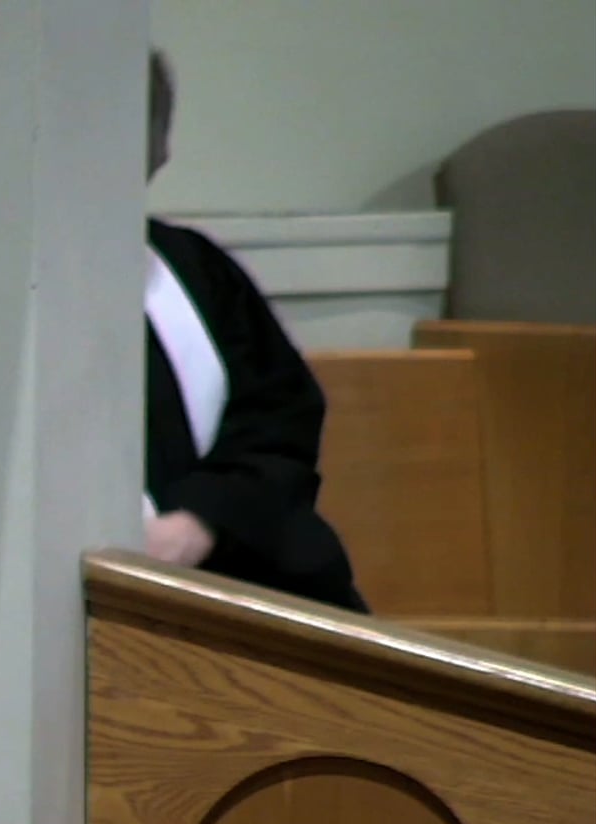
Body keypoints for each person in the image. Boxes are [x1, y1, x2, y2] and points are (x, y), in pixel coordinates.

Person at [143, 50, 369, 612]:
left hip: (238, 586)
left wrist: (200, 520)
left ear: (159, 148)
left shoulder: (194, 268)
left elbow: (280, 420)